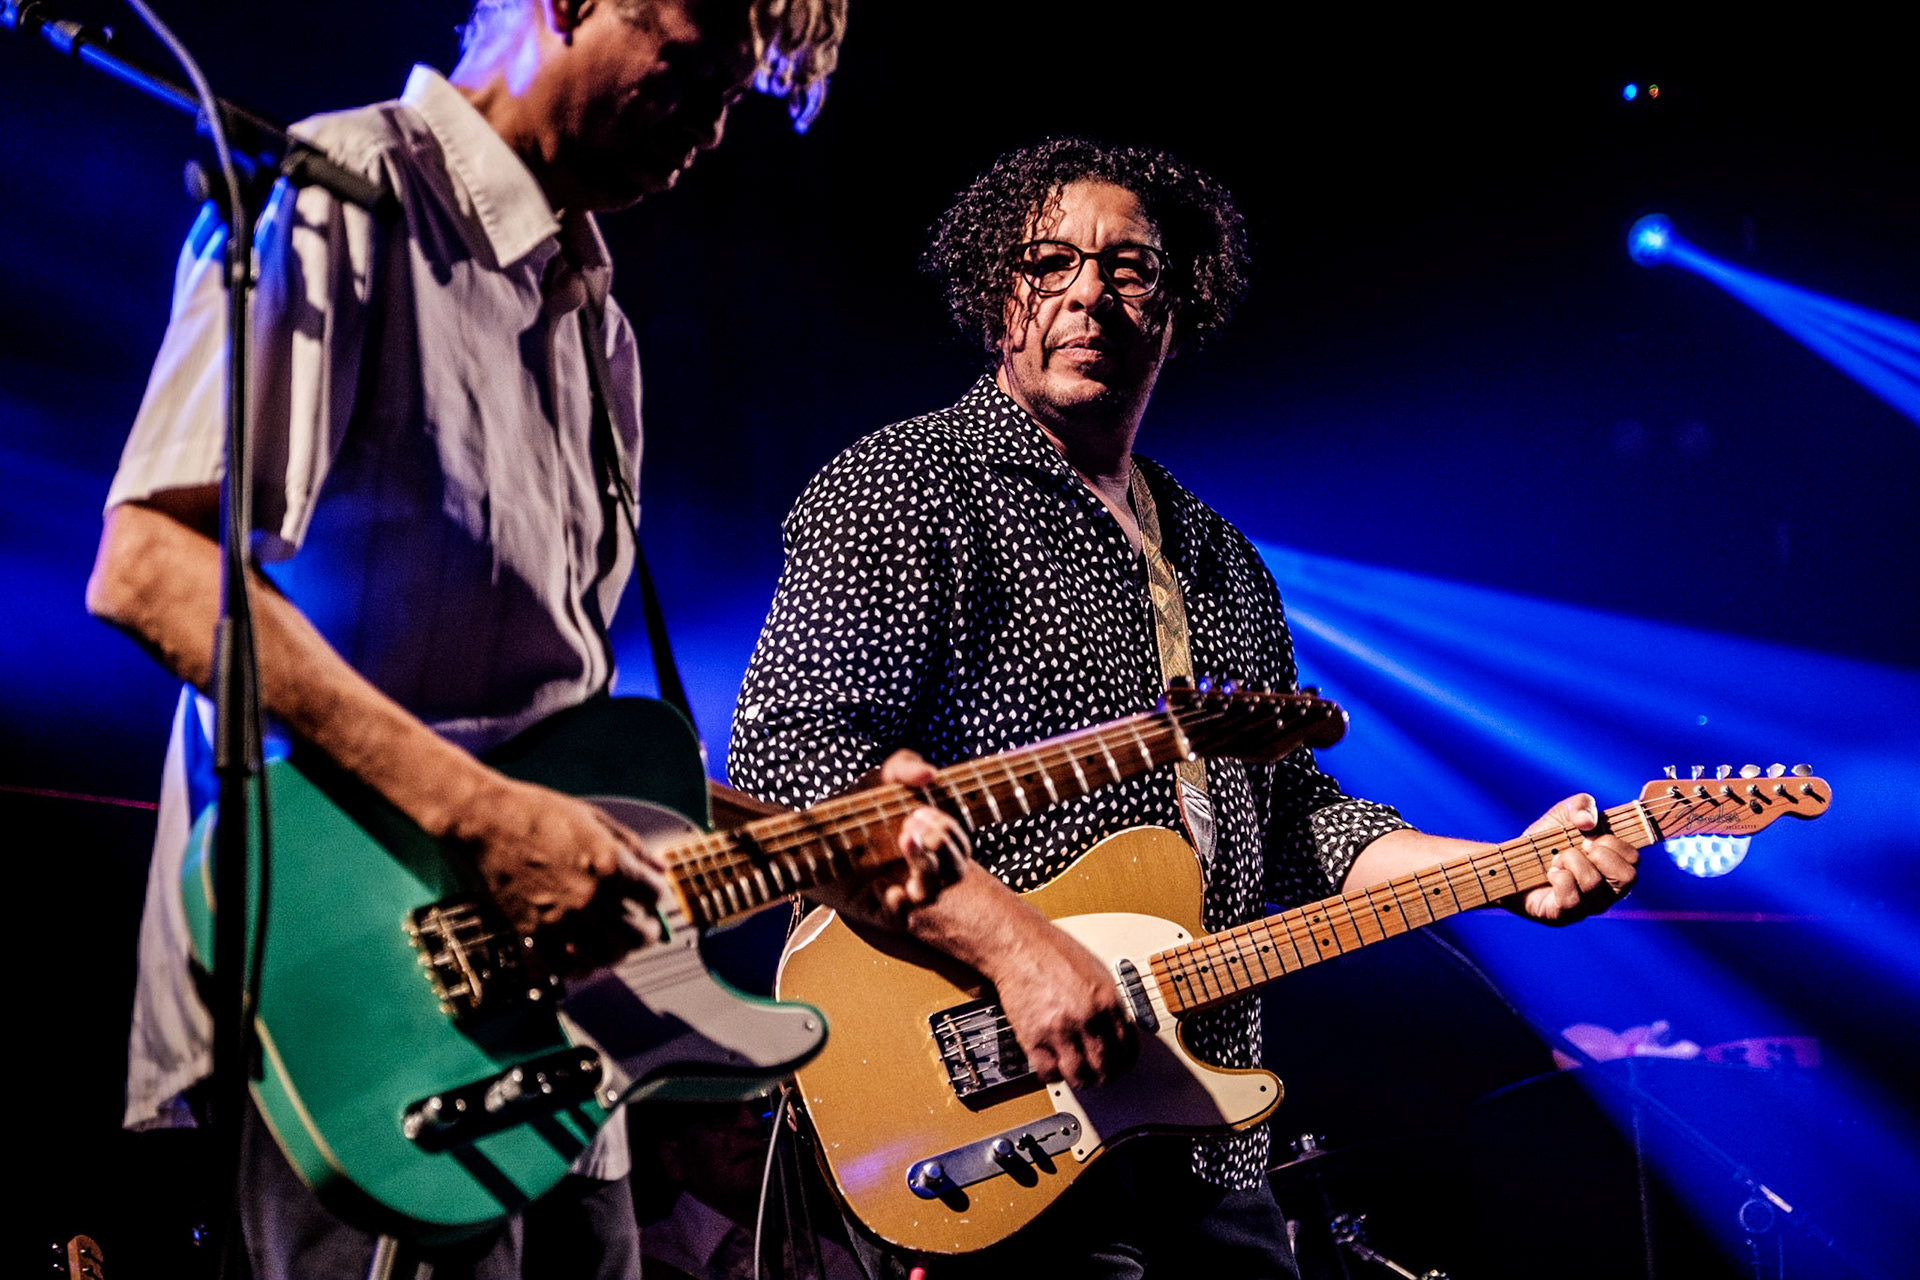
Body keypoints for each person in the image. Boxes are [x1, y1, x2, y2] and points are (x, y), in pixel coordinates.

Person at [85, 2, 966, 1275]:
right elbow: (152, 565)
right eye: (689, 76)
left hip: (568, 1053)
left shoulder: (600, 325)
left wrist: (821, 851)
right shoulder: (348, 191)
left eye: (736, 100)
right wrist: (487, 819)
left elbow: (569, 754)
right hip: (357, 1017)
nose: (713, 131)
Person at [726, 137, 1640, 1278]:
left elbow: (1299, 824)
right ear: (994, 292)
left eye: (1131, 267)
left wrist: (1509, 863)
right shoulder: (907, 486)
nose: (1087, 294)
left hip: (1208, 1140)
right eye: (1047, 260)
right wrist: (1017, 953)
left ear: (1180, 299)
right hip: (994, 1120)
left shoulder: (1221, 559)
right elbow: (792, 760)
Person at [638, 1098, 863, 1280]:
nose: (751, 1124)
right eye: (722, 1113)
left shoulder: (830, 1258)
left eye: (758, 1110)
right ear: (673, 1158)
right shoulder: (645, 1263)